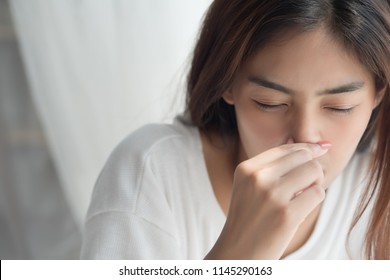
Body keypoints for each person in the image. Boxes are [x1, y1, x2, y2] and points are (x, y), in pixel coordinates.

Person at [80, 0, 390, 260]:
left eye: (339, 107)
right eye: (270, 102)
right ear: (228, 82)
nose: (305, 135)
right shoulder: (152, 172)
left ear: (378, 93)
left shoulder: (375, 189)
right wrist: (240, 254)